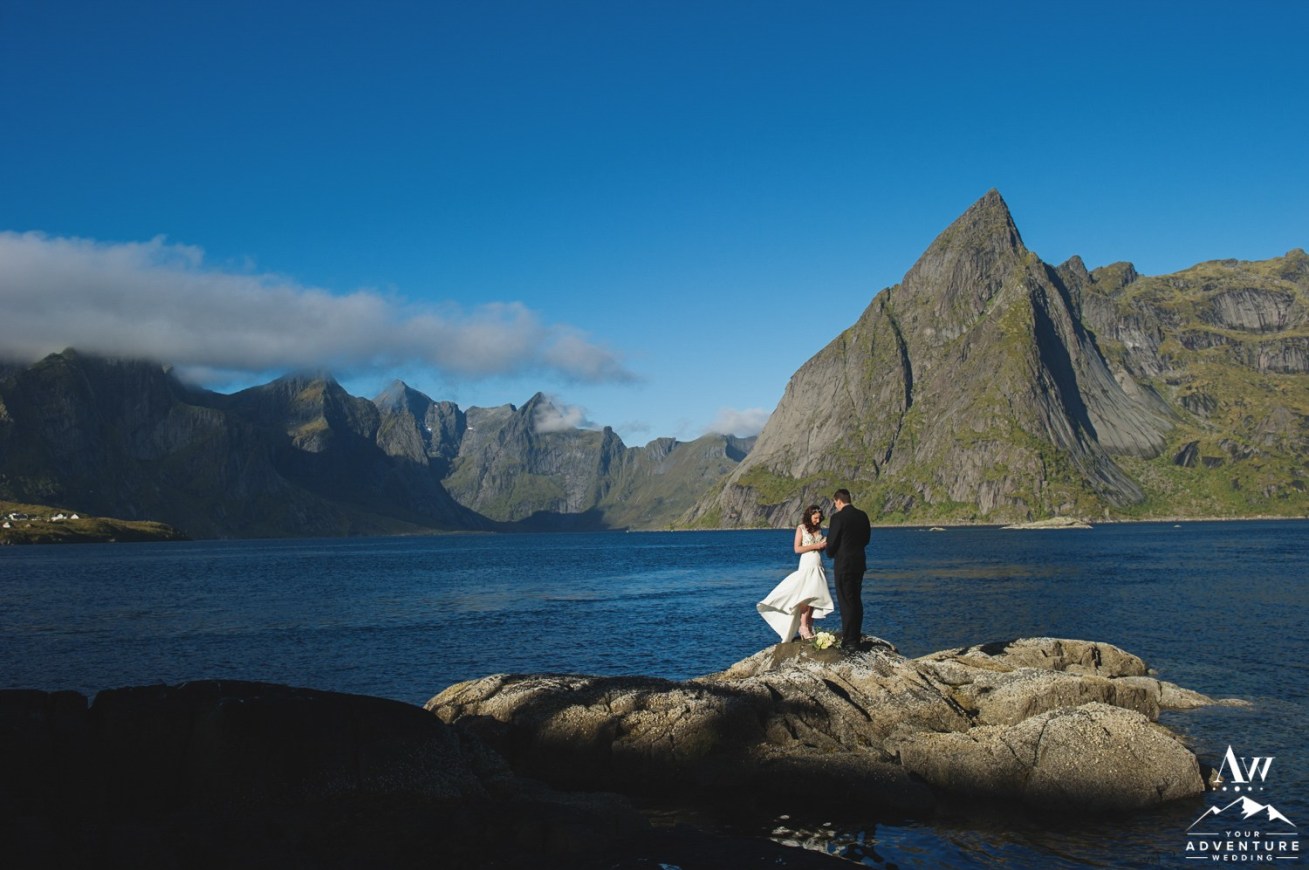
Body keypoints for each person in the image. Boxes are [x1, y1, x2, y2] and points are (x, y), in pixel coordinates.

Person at [757, 505, 834, 642]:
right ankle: (803, 626)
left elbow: (819, 549)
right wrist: (816, 546)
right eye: (815, 518)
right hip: (807, 564)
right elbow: (797, 549)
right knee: (807, 595)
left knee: (815, 596)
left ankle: (809, 626)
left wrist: (823, 545)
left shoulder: (819, 529)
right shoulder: (801, 528)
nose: (818, 520)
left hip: (818, 564)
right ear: (809, 516)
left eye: (819, 518)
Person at [824, 488, 871, 649]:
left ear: (838, 501)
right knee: (856, 600)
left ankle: (850, 640)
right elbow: (866, 539)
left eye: (835, 503)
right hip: (859, 563)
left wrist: (830, 551)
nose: (835, 506)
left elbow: (832, 542)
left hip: (844, 564)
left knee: (846, 601)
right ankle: (855, 636)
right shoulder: (862, 515)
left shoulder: (838, 518)